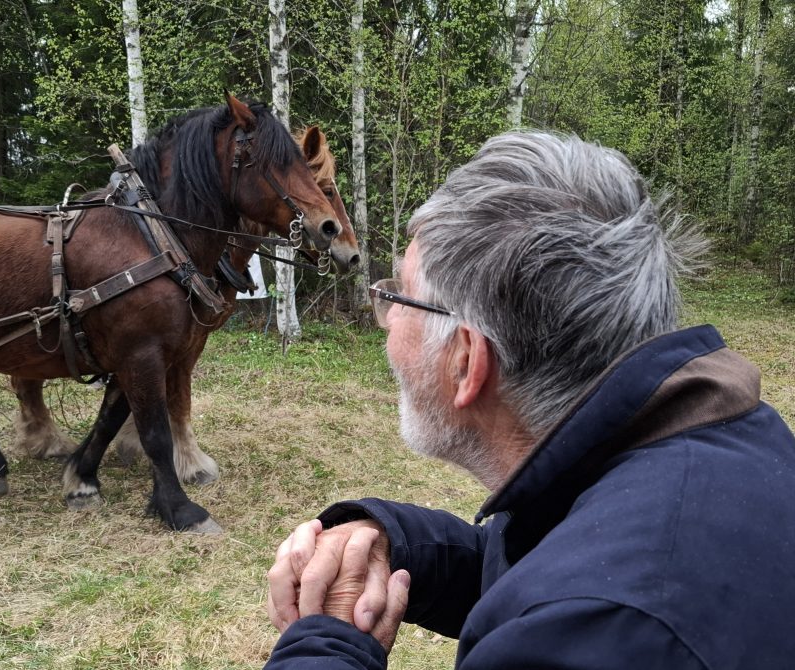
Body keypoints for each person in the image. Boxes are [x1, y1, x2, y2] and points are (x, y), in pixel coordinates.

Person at [263, 131, 795, 669]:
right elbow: (541, 562)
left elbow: (570, 602)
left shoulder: (595, 632)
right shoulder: (710, 443)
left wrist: (326, 643)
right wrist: (390, 544)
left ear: (466, 361)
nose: (388, 315)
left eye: (398, 296)